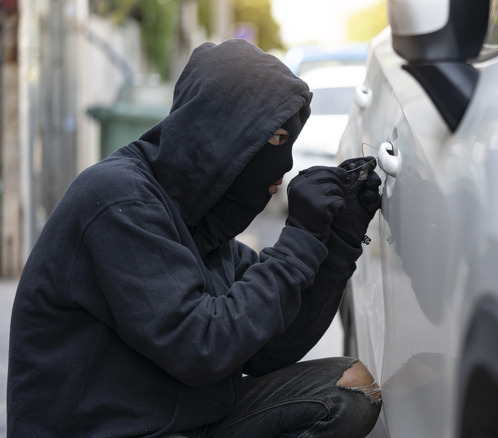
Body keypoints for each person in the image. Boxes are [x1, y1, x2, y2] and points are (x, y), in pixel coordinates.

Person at [7, 39, 382, 437]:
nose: (286, 163)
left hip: (178, 421)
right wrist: (299, 238)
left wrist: (339, 239)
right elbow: (203, 347)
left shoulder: (203, 226)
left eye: (290, 141)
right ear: (223, 134)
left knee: (346, 390)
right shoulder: (117, 201)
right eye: (275, 138)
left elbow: (270, 348)